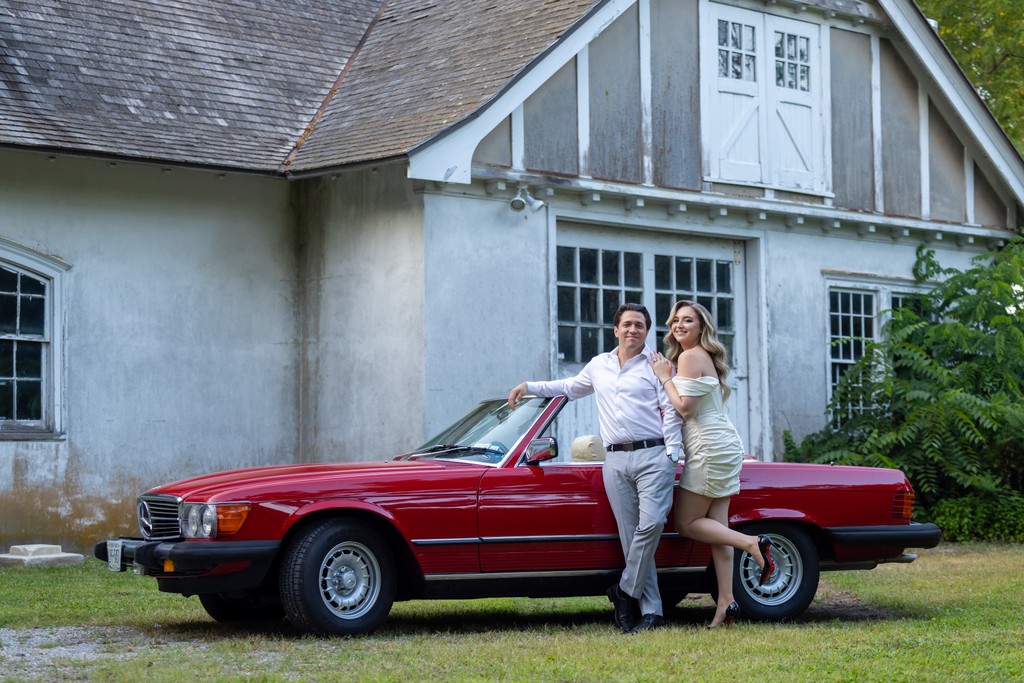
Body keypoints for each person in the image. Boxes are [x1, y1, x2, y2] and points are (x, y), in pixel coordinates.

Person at [508, 303, 682, 633]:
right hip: (614, 460)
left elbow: (671, 411)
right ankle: (652, 612)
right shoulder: (599, 366)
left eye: (640, 325)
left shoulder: (658, 365)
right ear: (616, 330)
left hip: (653, 455)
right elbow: (569, 387)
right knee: (631, 538)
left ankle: (624, 590)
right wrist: (529, 386)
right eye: (628, 324)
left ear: (647, 332)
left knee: (652, 524)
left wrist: (672, 454)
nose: (634, 330)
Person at [649, 300, 777, 628]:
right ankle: (726, 602)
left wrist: (665, 377)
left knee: (688, 523)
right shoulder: (698, 357)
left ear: (701, 327)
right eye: (676, 320)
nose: (679, 325)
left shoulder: (690, 357)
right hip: (724, 445)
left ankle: (753, 543)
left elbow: (686, 409)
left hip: (709, 448)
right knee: (719, 531)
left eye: (687, 320)